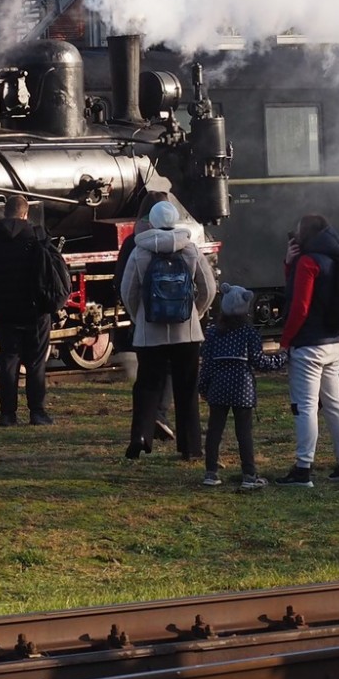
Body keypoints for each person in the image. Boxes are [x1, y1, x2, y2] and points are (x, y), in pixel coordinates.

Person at [119, 199, 218, 463]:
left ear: (150, 222)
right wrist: (193, 314)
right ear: (175, 221)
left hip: (149, 334)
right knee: (186, 389)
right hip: (186, 333)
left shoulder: (140, 251)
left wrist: (139, 316)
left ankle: (140, 436)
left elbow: (127, 292)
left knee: (147, 385)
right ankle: (191, 447)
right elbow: (209, 290)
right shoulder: (191, 250)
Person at [272, 214, 339, 487]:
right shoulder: (336, 258)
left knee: (305, 407)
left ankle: (303, 469)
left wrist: (285, 341)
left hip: (308, 345)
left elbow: (300, 306)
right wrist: (290, 263)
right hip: (333, 342)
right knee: (334, 404)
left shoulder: (308, 262)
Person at [0, 194, 58, 427]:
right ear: (25, 214)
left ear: (5, 213)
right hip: (33, 309)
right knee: (35, 361)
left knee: (8, 361)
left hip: (4, 309)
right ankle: (37, 412)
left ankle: (7, 414)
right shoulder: (35, 236)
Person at [198, 285, 284, 490]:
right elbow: (259, 361)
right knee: (244, 433)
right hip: (242, 388)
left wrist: (203, 387)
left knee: (214, 431)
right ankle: (249, 474)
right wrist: (282, 357)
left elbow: (206, 363)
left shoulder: (212, 333)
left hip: (218, 387)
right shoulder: (249, 333)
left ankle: (211, 473)